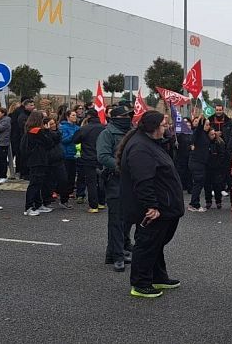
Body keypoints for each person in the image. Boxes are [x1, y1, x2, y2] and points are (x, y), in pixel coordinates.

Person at [118, 111, 185, 298]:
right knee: (147, 243)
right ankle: (140, 283)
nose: (167, 128)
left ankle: (158, 276)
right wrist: (151, 206)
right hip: (155, 209)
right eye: (164, 125)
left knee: (157, 243)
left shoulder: (150, 143)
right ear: (154, 127)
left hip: (166, 206)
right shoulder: (140, 148)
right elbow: (143, 181)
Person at [97, 105, 134, 272]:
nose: (129, 118)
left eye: (130, 115)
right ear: (117, 118)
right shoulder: (107, 133)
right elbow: (103, 156)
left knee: (127, 218)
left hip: (131, 182)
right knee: (116, 220)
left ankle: (114, 252)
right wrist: (122, 168)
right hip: (116, 181)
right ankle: (117, 256)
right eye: (125, 116)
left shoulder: (132, 132)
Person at [20, 111, 57, 216]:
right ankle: (29, 207)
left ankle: (38, 204)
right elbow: (49, 143)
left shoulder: (29, 131)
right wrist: (47, 131)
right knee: (35, 184)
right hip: (38, 160)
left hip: (34, 160)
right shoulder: (38, 132)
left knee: (37, 183)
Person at [73, 110, 106, 212]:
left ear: (88, 117)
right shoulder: (104, 128)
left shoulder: (84, 129)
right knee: (101, 180)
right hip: (101, 157)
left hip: (88, 158)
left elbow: (75, 140)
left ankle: (93, 206)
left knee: (91, 182)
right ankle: (101, 202)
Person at [188, 116, 211, 212]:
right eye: (206, 124)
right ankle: (194, 204)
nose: (208, 126)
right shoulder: (198, 132)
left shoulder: (205, 134)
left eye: (209, 125)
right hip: (196, 162)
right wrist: (202, 119)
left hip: (201, 163)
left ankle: (195, 203)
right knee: (198, 183)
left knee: (199, 183)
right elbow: (199, 128)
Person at [59, 109, 80, 205]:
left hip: (75, 153)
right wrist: (73, 136)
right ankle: (63, 192)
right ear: (68, 117)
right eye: (73, 115)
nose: (75, 117)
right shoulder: (63, 127)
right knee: (65, 174)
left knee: (72, 174)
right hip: (66, 153)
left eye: (75, 115)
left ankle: (70, 191)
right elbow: (63, 140)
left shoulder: (77, 127)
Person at [12, 98, 35, 179]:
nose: (33, 107)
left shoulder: (28, 114)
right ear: (25, 106)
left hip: (24, 138)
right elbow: (24, 128)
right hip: (21, 138)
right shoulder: (22, 115)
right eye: (31, 105)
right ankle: (23, 173)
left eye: (33, 105)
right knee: (22, 157)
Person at [205, 129, 227, 209]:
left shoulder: (219, 142)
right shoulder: (205, 143)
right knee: (207, 185)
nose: (213, 136)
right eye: (211, 134)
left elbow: (222, 155)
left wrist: (218, 164)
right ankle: (208, 201)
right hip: (207, 166)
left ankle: (218, 201)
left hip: (216, 167)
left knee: (217, 185)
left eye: (214, 134)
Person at [0, 107, 11, 184]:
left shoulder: (6, 120)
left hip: (3, 143)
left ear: (3, 113)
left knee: (2, 160)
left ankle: (3, 176)